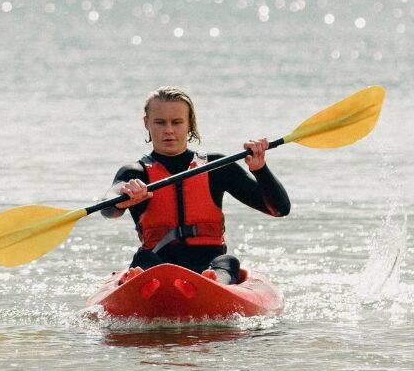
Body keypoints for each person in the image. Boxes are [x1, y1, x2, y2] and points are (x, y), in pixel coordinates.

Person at [102, 87, 290, 284]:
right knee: (143, 259)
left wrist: (260, 169)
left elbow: (279, 209)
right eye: (160, 122)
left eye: (177, 122)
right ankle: (143, 281)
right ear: (146, 122)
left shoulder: (217, 167)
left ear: (190, 123)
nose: (168, 130)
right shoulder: (135, 173)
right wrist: (121, 201)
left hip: (209, 265)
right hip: (156, 264)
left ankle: (213, 282)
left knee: (228, 262)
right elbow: (108, 208)